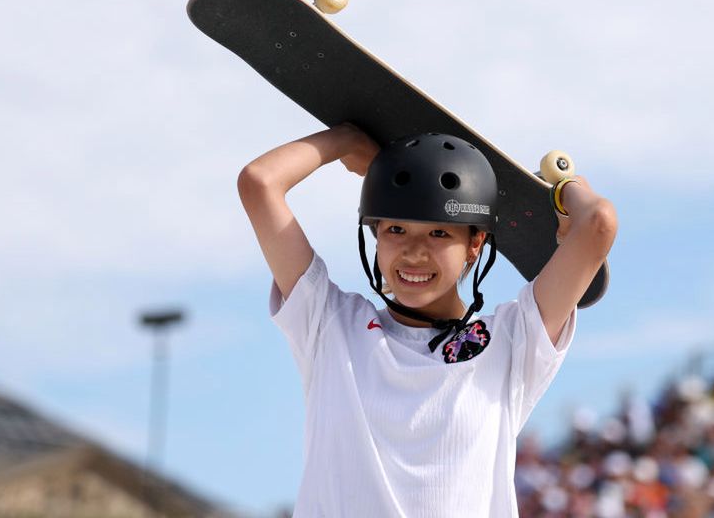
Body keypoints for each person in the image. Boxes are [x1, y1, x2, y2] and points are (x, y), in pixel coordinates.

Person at [237, 124, 617, 517]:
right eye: (396, 229)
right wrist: (347, 142)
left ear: (475, 244)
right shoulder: (328, 325)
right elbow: (259, 182)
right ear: (376, 235)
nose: (414, 253)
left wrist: (565, 190)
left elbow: (598, 224)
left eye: (438, 232)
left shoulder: (511, 343)